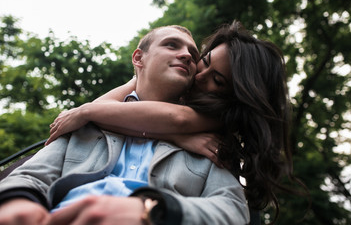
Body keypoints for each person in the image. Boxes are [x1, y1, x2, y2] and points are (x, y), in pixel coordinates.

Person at [46, 20, 302, 221]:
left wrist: (83, 113)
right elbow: (104, 108)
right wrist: (133, 85)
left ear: (235, 96)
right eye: (206, 61)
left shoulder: (218, 117)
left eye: (218, 81)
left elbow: (175, 120)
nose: (200, 76)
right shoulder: (172, 92)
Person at [0, 24, 250, 225]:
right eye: (171, 45)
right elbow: (30, 177)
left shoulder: (210, 141)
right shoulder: (89, 123)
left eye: (194, 55)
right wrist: (19, 203)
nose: (186, 55)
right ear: (138, 58)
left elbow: (232, 210)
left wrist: (154, 210)